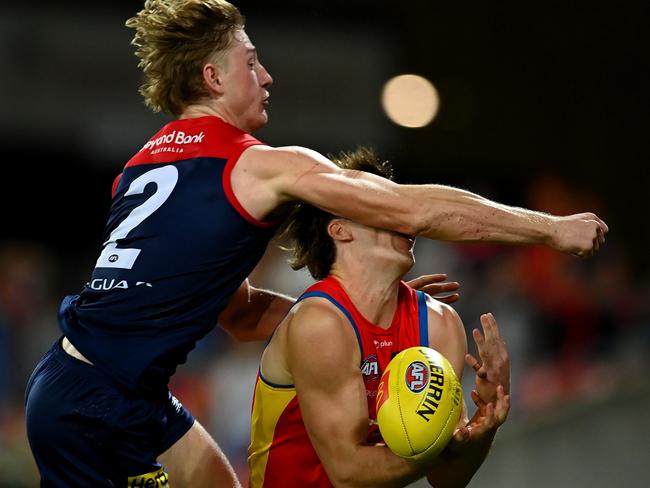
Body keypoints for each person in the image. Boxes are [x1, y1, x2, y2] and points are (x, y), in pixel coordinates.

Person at [24, 0, 604, 486]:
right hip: (97, 403)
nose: (267, 76)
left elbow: (239, 312)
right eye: (251, 63)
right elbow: (412, 208)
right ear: (213, 77)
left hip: (102, 387)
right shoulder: (254, 165)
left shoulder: (140, 168)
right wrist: (550, 229)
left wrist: (358, 323)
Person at [248, 147, 510, 487]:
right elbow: (348, 472)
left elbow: (447, 480)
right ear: (340, 230)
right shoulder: (320, 322)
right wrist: (440, 447)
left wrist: (485, 419)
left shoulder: (440, 323)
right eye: (382, 204)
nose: (405, 214)